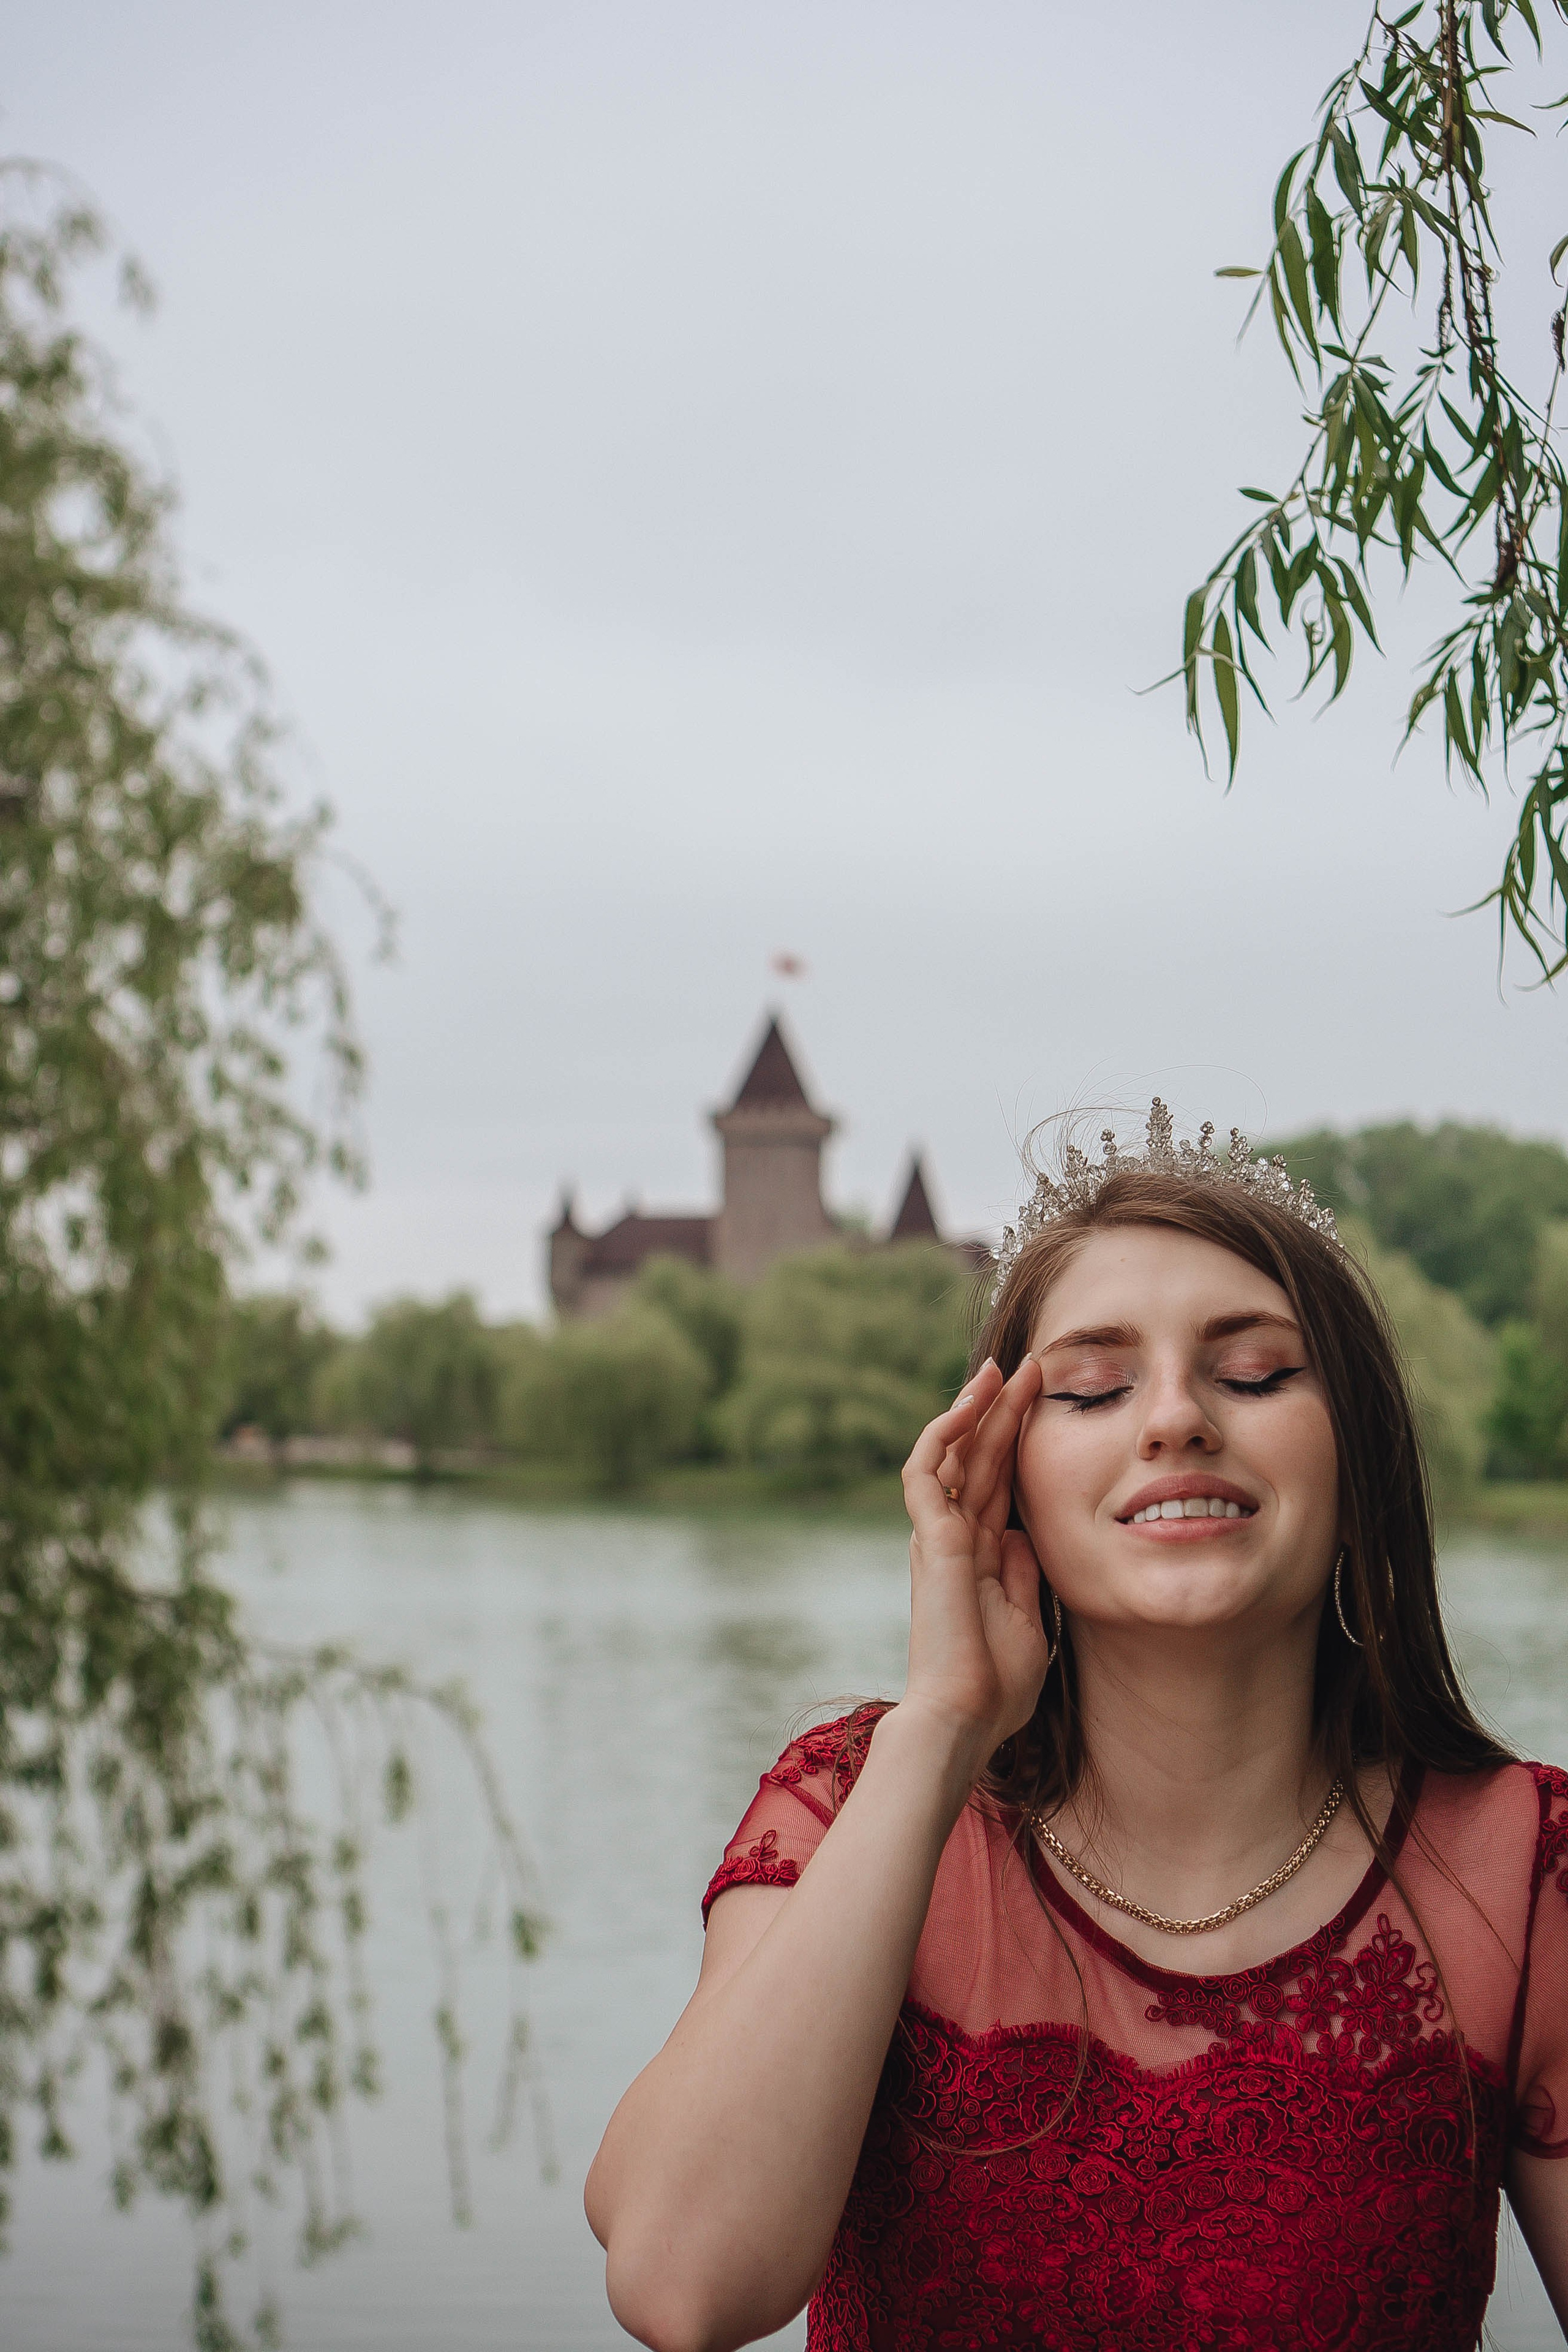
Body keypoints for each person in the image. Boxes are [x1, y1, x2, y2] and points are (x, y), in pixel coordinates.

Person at [586, 1106, 1568, 2351]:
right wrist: (942, 1725)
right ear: (1002, 1474)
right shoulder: (850, 1807)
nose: (1173, 1419)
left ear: (1359, 1452)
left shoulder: (1519, 1868)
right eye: (1094, 1387)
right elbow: (682, 2290)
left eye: (1254, 1373)